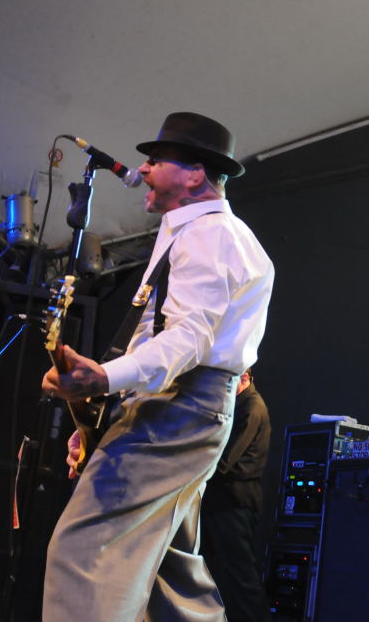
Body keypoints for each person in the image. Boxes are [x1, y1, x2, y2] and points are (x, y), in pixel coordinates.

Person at [41, 111, 274, 621]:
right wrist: (105, 411)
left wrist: (105, 377)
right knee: (172, 574)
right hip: (180, 406)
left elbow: (188, 338)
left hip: (181, 404)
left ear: (195, 174)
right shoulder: (188, 232)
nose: (143, 169)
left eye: (157, 160)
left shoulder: (210, 235)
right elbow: (154, 334)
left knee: (86, 551)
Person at [200, 368, 272, 622]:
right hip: (225, 502)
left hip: (234, 504)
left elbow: (225, 462)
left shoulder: (251, 408)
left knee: (240, 578)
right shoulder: (241, 405)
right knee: (221, 574)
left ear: (244, 378)